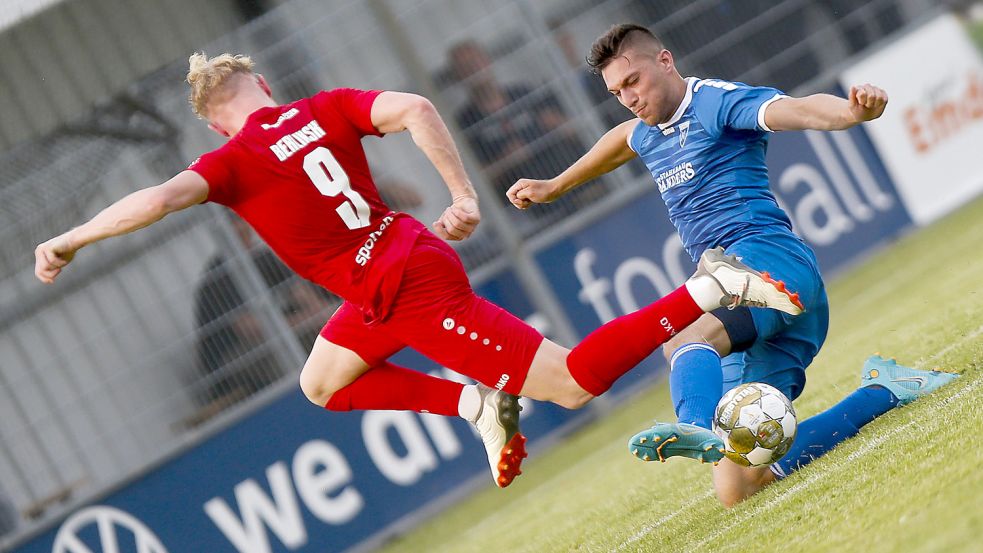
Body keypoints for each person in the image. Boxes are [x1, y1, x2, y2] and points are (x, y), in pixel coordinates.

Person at [34, 52, 803, 489]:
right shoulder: (327, 105)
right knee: (320, 382)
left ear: (212, 119)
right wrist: (459, 194)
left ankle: (707, 289)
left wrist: (74, 236)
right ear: (263, 85)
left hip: (404, 289)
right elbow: (413, 109)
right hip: (398, 262)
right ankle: (472, 404)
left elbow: (159, 198)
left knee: (572, 380)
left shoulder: (228, 159)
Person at [506, 23, 959, 505]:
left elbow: (797, 109)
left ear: (665, 60)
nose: (629, 97)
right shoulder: (646, 130)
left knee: (681, 335)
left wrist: (849, 112)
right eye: (617, 91)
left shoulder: (716, 102)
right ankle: (887, 390)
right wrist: (554, 186)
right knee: (737, 487)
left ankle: (693, 428)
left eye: (633, 80)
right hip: (753, 305)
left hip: (767, 266)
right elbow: (622, 141)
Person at [192, 215, 335, 419]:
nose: (244, 232)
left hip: (272, 341)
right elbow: (251, 329)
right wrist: (308, 319)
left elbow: (304, 295)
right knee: (289, 350)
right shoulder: (218, 275)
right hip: (234, 360)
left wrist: (322, 315)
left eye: (244, 225)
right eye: (236, 227)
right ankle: (309, 410)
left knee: (333, 324)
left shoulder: (261, 258)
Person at [448, 40, 604, 224]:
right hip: (529, 209)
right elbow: (473, 178)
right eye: (466, 67)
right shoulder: (465, 122)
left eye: (476, 62)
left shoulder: (523, 93)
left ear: (487, 61)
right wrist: (506, 160)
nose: (474, 70)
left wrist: (557, 125)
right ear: (459, 77)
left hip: (571, 183)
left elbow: (575, 129)